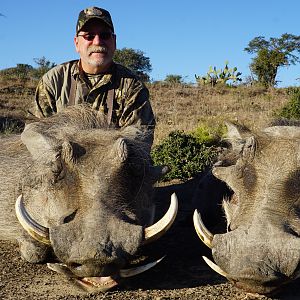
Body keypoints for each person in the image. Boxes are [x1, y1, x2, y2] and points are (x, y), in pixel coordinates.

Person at [34, 6, 155, 146]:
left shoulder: (132, 85)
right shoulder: (53, 80)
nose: (97, 42)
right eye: (89, 36)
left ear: (114, 41)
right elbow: (36, 132)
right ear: (77, 43)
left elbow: (140, 137)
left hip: (113, 166)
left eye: (105, 35)